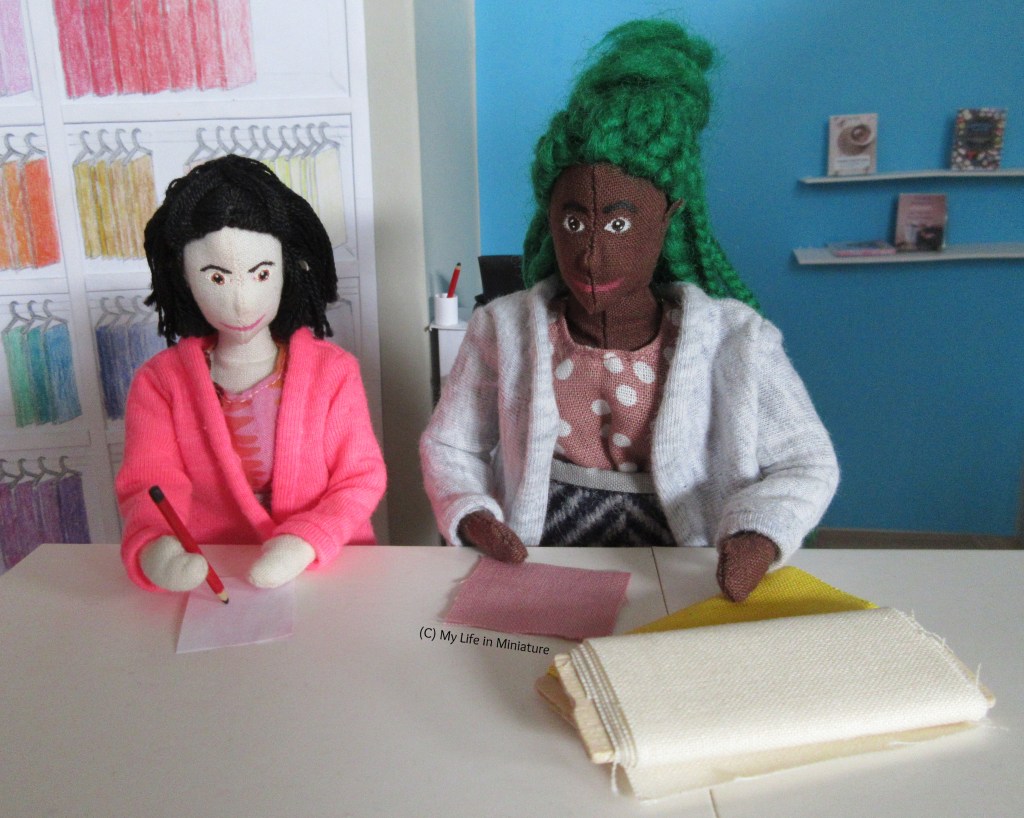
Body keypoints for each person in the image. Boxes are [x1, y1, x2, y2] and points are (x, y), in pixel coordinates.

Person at [419, 19, 838, 602]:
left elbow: (804, 460)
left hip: (683, 566)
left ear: (669, 217)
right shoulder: (503, 328)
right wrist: (470, 512)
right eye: (573, 221)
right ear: (550, 219)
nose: (591, 253)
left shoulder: (737, 340)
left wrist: (757, 533)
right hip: (540, 559)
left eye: (620, 222)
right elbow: (451, 444)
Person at [117, 155, 385, 592]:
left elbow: (359, 476)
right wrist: (156, 545)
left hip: (331, 572)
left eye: (261, 273)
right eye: (217, 278)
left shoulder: (333, 372)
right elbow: (150, 482)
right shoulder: (160, 382)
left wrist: (305, 541)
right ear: (184, 279)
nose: (243, 301)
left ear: (287, 269)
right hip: (215, 573)